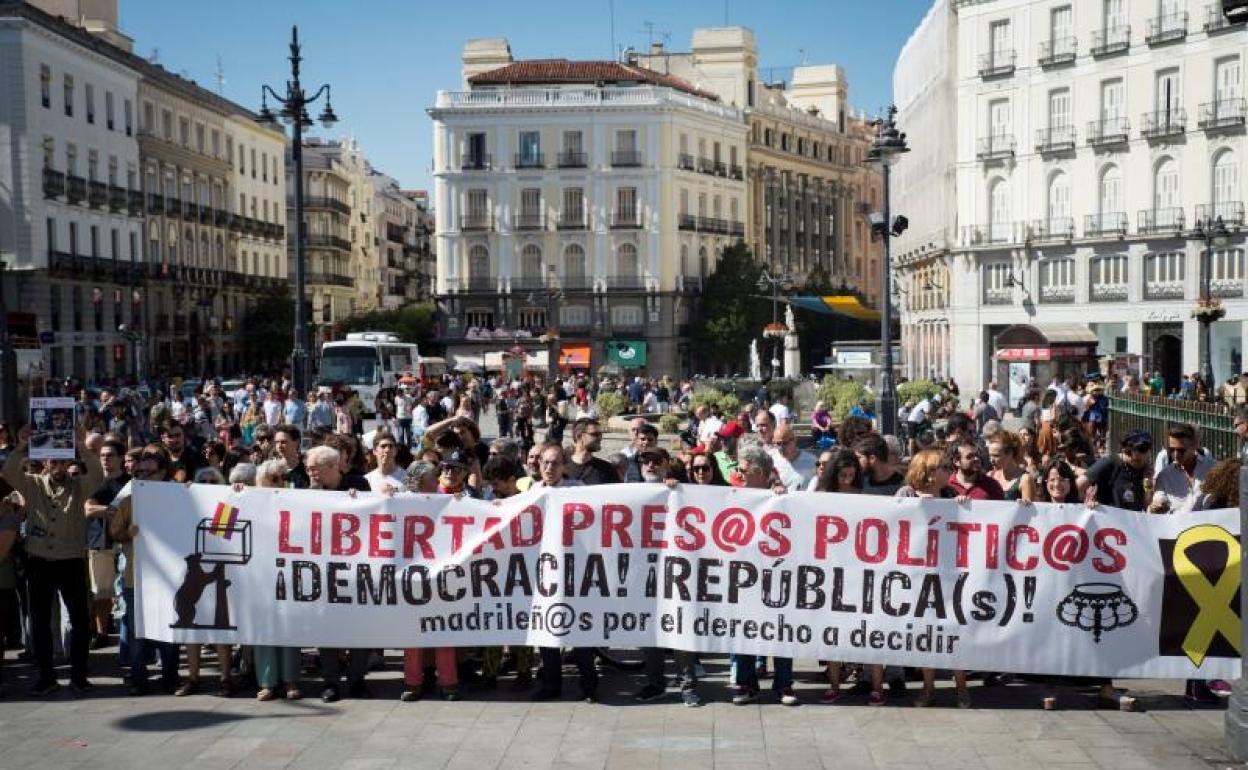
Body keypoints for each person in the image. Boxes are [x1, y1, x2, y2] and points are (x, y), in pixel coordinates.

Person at [2, 422, 103, 695]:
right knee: (40, 622)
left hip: (71, 561)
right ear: (45, 462)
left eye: (63, 461)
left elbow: (98, 474)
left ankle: (79, 675)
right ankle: (46, 676)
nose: (58, 466)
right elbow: (9, 472)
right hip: (39, 562)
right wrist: (22, 446)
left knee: (80, 621)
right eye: (53, 461)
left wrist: (82, 446)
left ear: (69, 462)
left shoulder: (79, 486)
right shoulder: (32, 483)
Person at [897, 448, 971, 708]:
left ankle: (961, 688)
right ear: (928, 471)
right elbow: (893, 516)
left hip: (949, 573)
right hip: (917, 575)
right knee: (926, 634)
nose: (949, 471)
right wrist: (916, 505)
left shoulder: (951, 494)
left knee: (953, 631)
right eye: (943, 467)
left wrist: (962, 506)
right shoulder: (906, 493)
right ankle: (928, 688)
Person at [815, 450, 887, 706]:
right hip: (833, 572)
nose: (847, 479)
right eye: (843, 475)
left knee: (871, 631)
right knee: (833, 633)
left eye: (851, 475)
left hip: (863, 572)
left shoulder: (864, 496)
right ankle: (834, 686)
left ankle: (877, 687)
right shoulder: (822, 497)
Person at [305, 446, 372, 702]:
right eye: (309, 468)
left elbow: (375, 513)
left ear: (333, 466)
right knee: (327, 627)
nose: (310, 473)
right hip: (324, 571)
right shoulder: (307, 491)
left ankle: (357, 679)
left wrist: (359, 501)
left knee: (359, 627)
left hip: (356, 569)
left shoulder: (359, 483)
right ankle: (331, 681)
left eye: (314, 468)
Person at [530, 444, 596, 702]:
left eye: (555, 463)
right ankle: (551, 685)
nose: (549, 467)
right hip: (545, 572)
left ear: (564, 466)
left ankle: (589, 686)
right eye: (545, 462)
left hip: (575, 572)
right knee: (547, 630)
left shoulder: (577, 489)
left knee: (580, 631)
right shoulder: (533, 491)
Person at [732, 444, 797, 706]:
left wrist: (781, 496)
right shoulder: (733, 495)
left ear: (758, 471)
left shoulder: (781, 498)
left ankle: (784, 685)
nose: (738, 473)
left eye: (743, 469)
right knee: (744, 630)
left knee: (780, 630)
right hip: (743, 576)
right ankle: (747, 684)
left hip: (777, 575)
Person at [83, 438, 128, 649]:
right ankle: (102, 633)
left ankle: (128, 633)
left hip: (126, 541)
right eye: (102, 455)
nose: (105, 459)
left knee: (127, 589)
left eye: (110, 455)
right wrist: (115, 511)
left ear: (121, 458)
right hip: (98, 540)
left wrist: (103, 510)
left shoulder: (131, 482)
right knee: (101, 592)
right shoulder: (92, 481)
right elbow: (88, 509)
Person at [1150, 423, 1215, 514]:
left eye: (1181, 450)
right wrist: (1157, 506)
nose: (1176, 455)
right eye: (1171, 450)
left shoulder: (1212, 469)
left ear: (1194, 446)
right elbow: (1158, 499)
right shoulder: (1165, 476)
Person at [566, 418, 619, 486]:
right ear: (579, 436)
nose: (599, 438)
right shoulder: (561, 467)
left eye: (600, 434)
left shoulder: (607, 469)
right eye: (595, 434)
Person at [987, 432, 1036, 502]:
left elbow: (1029, 507)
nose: (991, 460)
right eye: (990, 455)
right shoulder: (990, 476)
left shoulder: (1025, 480)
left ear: (1010, 453)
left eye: (996, 456)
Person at [769, 423, 817, 492]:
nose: (781, 448)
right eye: (778, 444)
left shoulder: (812, 460)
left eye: (785, 443)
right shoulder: (770, 460)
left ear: (794, 440)